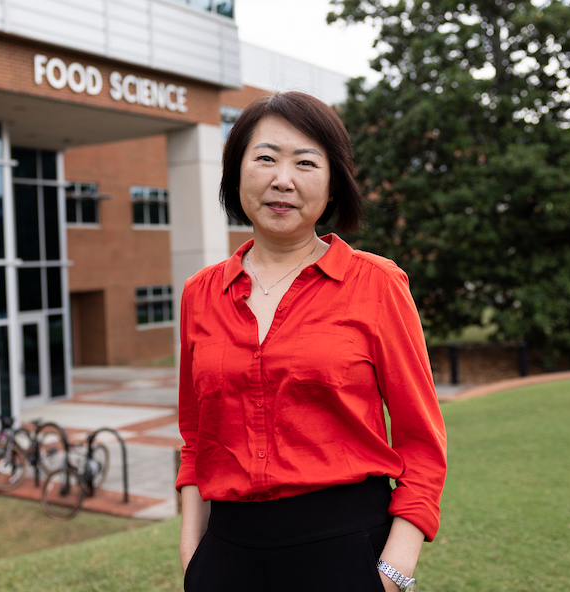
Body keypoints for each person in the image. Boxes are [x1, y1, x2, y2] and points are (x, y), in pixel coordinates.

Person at [176, 91, 447, 592]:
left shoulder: (378, 284)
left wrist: (392, 571)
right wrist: (193, 554)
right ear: (237, 174)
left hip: (345, 550)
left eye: (306, 162)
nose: (283, 179)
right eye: (265, 158)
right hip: (226, 554)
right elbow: (196, 440)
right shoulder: (200, 293)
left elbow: (421, 442)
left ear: (332, 183)